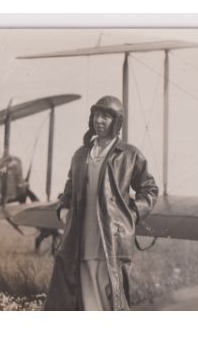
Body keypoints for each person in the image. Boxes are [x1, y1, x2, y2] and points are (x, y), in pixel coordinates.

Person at [44, 96, 159, 311]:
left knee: (111, 297)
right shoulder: (81, 155)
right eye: (97, 115)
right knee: (83, 291)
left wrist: (131, 215)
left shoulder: (130, 154)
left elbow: (149, 189)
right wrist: (64, 210)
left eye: (106, 116)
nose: (100, 120)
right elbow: (69, 188)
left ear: (116, 122)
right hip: (81, 236)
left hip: (113, 240)